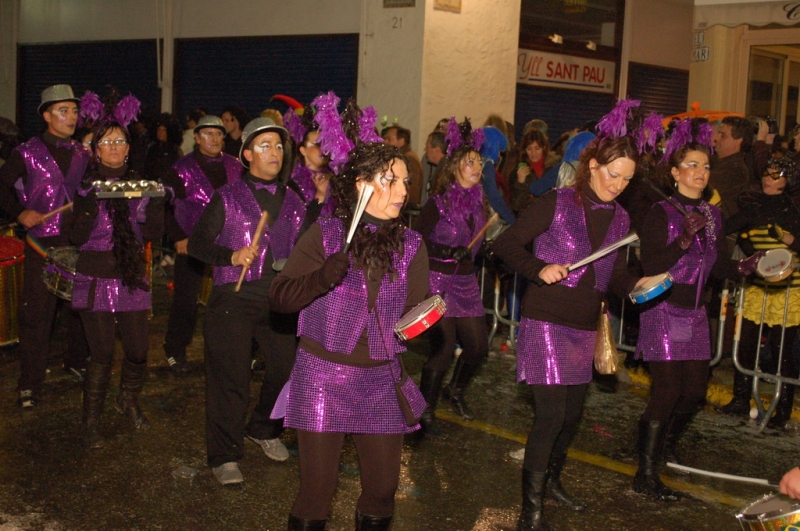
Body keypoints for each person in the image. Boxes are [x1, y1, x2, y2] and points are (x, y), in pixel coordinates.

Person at [492, 100, 657, 531]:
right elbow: (505, 244)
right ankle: (530, 510)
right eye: (612, 173)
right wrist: (538, 268)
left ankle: (552, 482)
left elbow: (613, 276)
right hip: (546, 320)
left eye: (627, 178)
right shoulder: (558, 202)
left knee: (571, 416)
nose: (618, 184)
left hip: (584, 325)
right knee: (550, 416)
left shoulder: (621, 218)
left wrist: (638, 285)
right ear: (592, 165)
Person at [270, 95, 429, 530]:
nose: (403, 191)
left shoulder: (412, 245)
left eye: (404, 182)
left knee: (382, 490)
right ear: (361, 185)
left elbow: (413, 315)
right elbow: (280, 298)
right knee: (316, 491)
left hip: (380, 378)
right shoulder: (325, 234)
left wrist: (426, 318)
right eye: (391, 181)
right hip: (322, 376)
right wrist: (321, 278)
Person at [633, 119, 760, 502]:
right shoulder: (660, 212)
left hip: (696, 313)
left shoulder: (712, 214)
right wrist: (683, 240)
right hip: (664, 310)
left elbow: (716, 263)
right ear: (675, 172)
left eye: (705, 166)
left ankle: (663, 445)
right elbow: (651, 263)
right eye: (691, 165)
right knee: (667, 392)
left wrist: (741, 267)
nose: (701, 172)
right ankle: (645, 473)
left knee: (693, 393)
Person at [188, 117, 306, 484]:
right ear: (248, 155)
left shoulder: (294, 199)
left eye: (279, 146)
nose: (275, 153)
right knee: (231, 379)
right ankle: (224, 455)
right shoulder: (227, 197)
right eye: (265, 146)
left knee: (287, 370)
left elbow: (307, 246)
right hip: (233, 299)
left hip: (279, 300)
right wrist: (231, 255)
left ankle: (263, 428)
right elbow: (197, 244)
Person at [67, 97, 164, 448]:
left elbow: (153, 235)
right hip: (95, 276)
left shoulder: (141, 186)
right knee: (103, 353)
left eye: (119, 141)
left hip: (130, 276)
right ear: (96, 150)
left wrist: (155, 207)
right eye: (106, 141)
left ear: (128, 148)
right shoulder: (85, 187)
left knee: (138, 351)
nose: (113, 147)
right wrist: (90, 208)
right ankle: (91, 420)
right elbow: (76, 237)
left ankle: (128, 400)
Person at [0, 84, 91, 408]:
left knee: (80, 309)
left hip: (77, 241)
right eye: (63, 111)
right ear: (46, 116)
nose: (71, 117)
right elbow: (1, 188)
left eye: (74, 111)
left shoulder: (83, 154)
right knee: (37, 315)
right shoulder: (25, 152)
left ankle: (75, 361)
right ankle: (29, 383)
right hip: (42, 243)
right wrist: (20, 212)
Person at [415, 118, 489, 435]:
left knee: (478, 347)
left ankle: (454, 391)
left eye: (480, 163)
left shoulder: (480, 203)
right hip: (437, 281)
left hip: (466, 283)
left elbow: (476, 242)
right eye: (471, 162)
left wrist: (487, 250)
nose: (477, 168)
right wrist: (445, 249)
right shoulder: (439, 202)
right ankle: (424, 409)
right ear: (456, 165)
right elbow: (415, 239)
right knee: (444, 347)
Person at [717, 157, 800, 429]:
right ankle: (741, 399)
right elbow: (725, 228)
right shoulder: (753, 206)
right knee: (745, 345)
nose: (768, 179)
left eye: (776, 175)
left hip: (788, 290)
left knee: (781, 352)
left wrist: (790, 239)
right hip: (756, 287)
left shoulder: (793, 210)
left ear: (788, 180)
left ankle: (782, 410)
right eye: (766, 173)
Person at [162, 115, 243, 373]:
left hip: (228, 244)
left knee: (232, 299)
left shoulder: (236, 166)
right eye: (208, 133)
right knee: (186, 301)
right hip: (192, 243)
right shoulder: (180, 169)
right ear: (196, 138)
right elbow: (164, 207)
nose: (214, 139)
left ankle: (232, 352)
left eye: (218, 134)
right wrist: (178, 237)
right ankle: (174, 349)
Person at [711, 116, 753, 219]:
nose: (716, 138)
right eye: (718, 133)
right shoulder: (714, 160)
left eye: (723, 135)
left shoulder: (736, 170)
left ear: (738, 141)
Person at [510, 129, 554, 215]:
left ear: (544, 147)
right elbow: (515, 206)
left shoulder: (553, 167)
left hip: (549, 216)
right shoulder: (519, 170)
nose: (533, 153)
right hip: (528, 217)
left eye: (537, 148)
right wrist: (520, 183)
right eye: (529, 149)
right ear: (524, 150)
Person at [383, 125, 424, 208]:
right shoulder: (404, 157)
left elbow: (411, 190)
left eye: (389, 139)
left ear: (401, 141)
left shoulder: (408, 159)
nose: (385, 142)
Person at [145, 112, 184, 183]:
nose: (160, 132)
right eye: (158, 129)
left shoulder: (174, 149)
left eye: (164, 130)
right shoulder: (152, 149)